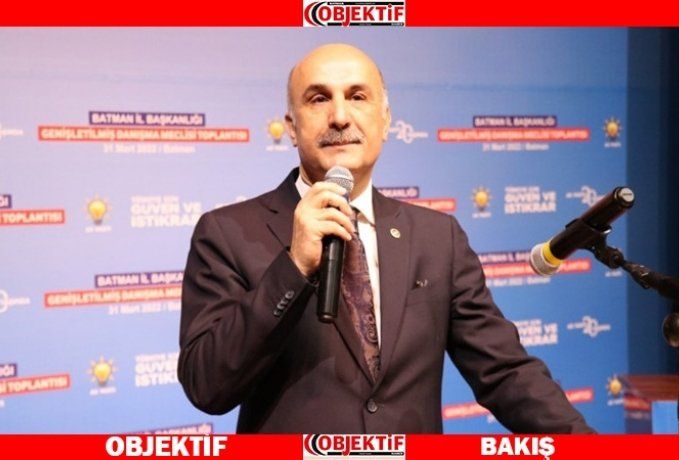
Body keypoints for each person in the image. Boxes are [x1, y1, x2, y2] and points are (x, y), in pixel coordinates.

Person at [177, 43, 594, 434]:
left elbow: (505, 372)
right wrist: (293, 267)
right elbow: (206, 386)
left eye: (357, 97)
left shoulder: (437, 237)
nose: (340, 117)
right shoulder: (228, 233)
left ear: (386, 119)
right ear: (291, 127)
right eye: (318, 99)